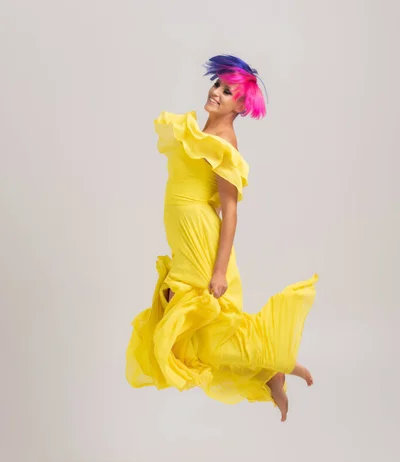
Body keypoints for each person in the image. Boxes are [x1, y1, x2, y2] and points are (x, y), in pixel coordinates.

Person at [126, 54, 318, 422]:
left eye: (227, 91)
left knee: (205, 335)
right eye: (217, 84)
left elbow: (230, 212)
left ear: (241, 105)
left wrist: (218, 272)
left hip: (201, 240)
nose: (216, 92)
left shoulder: (224, 142)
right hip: (185, 238)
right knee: (199, 335)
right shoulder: (201, 134)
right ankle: (271, 370)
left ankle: (277, 364)